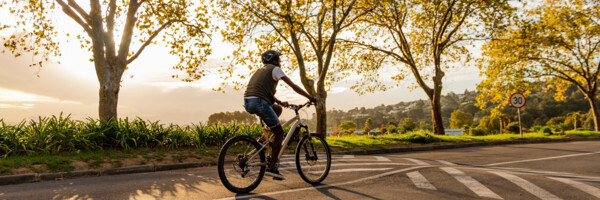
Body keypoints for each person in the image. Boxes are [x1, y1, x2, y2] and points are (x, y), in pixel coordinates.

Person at [243, 50, 316, 180]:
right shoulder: (275, 69)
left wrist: (279, 102)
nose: (280, 62)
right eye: (278, 59)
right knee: (280, 133)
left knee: (277, 109)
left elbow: (263, 90)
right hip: (260, 102)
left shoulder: (260, 70)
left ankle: (264, 138)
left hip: (249, 101)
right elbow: (293, 86)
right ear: (275, 60)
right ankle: (272, 167)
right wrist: (310, 97)